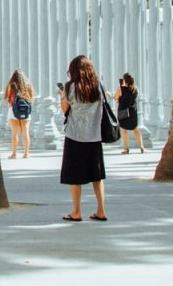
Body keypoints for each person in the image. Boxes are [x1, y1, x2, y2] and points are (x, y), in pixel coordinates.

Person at [58, 55, 107, 221]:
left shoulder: (70, 87)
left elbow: (64, 109)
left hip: (75, 136)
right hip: (94, 136)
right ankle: (101, 211)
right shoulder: (98, 86)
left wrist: (61, 95)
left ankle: (76, 211)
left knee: (74, 177)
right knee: (97, 176)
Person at [4, 69, 34, 158]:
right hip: (25, 110)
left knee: (15, 133)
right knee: (25, 132)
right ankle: (26, 153)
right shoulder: (28, 85)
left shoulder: (11, 85)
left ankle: (14, 154)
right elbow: (31, 98)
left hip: (13, 110)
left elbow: (7, 96)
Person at [112, 73, 143, 154]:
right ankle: (141, 146)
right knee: (135, 129)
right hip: (132, 111)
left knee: (124, 129)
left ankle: (126, 148)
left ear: (124, 80)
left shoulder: (120, 88)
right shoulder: (135, 88)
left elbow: (116, 98)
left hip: (123, 110)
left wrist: (112, 94)